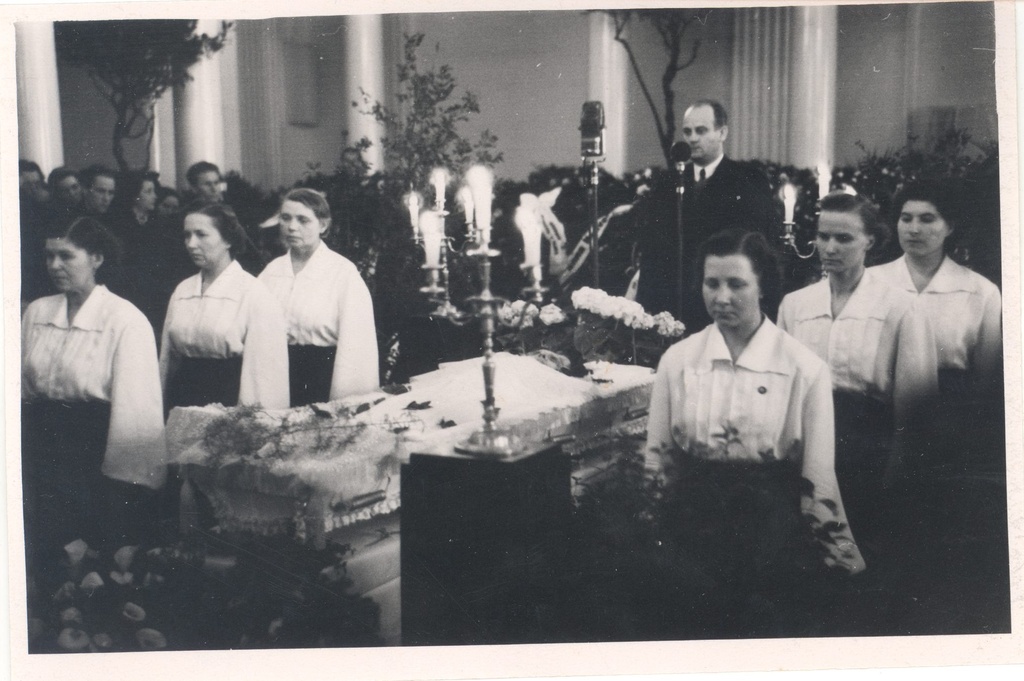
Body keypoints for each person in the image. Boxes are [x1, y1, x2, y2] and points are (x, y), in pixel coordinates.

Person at [645, 229, 863, 636]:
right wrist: (651, 535)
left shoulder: (804, 367)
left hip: (770, 532)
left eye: (736, 284)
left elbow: (818, 474)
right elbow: (658, 457)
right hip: (691, 530)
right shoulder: (678, 359)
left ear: (763, 286)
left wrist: (838, 556)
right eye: (712, 283)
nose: (721, 297)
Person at [777, 192, 937, 559]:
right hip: (805, 448)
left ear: (870, 241)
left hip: (868, 454)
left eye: (844, 238)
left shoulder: (899, 306)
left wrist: (896, 474)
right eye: (823, 236)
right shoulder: (796, 305)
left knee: (859, 555)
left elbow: (916, 405)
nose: (829, 247)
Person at [22, 217, 166, 574]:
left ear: (96, 259)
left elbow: (137, 407)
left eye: (66, 256)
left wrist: (125, 481)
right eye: (49, 256)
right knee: (44, 547)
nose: (55, 265)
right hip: (41, 442)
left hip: (92, 448)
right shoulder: (38, 312)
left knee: (90, 552)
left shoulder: (124, 319)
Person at [635, 100, 777, 329]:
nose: (692, 139)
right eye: (687, 131)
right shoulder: (667, 183)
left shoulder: (748, 180)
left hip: (722, 304)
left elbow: (760, 248)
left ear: (722, 133)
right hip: (671, 306)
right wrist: (645, 312)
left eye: (701, 131)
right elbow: (653, 252)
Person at [872, 181, 1002, 397]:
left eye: (927, 219)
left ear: (950, 227)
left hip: (951, 411)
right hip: (878, 408)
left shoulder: (981, 291)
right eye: (906, 219)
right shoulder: (871, 282)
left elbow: (986, 378)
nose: (914, 229)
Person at [160, 202, 289, 410]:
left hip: (227, 400)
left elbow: (265, 374)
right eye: (187, 235)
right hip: (181, 399)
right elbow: (168, 361)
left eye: (201, 234)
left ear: (228, 240)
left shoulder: (253, 292)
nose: (191, 244)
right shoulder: (183, 290)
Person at [258, 189, 379, 406]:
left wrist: (345, 403)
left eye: (303, 220)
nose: (292, 227)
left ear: (323, 225)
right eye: (285, 218)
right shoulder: (271, 273)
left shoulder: (342, 273)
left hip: (323, 378)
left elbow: (357, 344)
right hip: (275, 377)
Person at [107, 171, 188, 337]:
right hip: (129, 291)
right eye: (148, 191)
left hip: (156, 294)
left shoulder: (157, 224)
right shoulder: (119, 224)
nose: (155, 196)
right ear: (134, 195)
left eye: (154, 191)